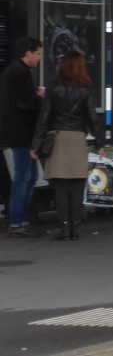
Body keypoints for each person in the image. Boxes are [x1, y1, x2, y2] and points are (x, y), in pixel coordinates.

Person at [29, 51, 104, 241]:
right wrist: (99, 144)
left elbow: (43, 118)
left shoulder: (53, 88)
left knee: (61, 186)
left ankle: (64, 229)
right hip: (78, 138)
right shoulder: (85, 89)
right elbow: (93, 119)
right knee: (78, 184)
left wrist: (35, 145)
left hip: (58, 137)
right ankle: (75, 228)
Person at [1, 37, 44, 238]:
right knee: (24, 177)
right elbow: (26, 103)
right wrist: (39, 98)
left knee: (29, 176)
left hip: (19, 132)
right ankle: (18, 221)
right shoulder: (19, 74)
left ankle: (21, 219)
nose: (39, 58)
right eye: (37, 53)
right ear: (27, 53)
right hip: (22, 133)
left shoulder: (15, 72)